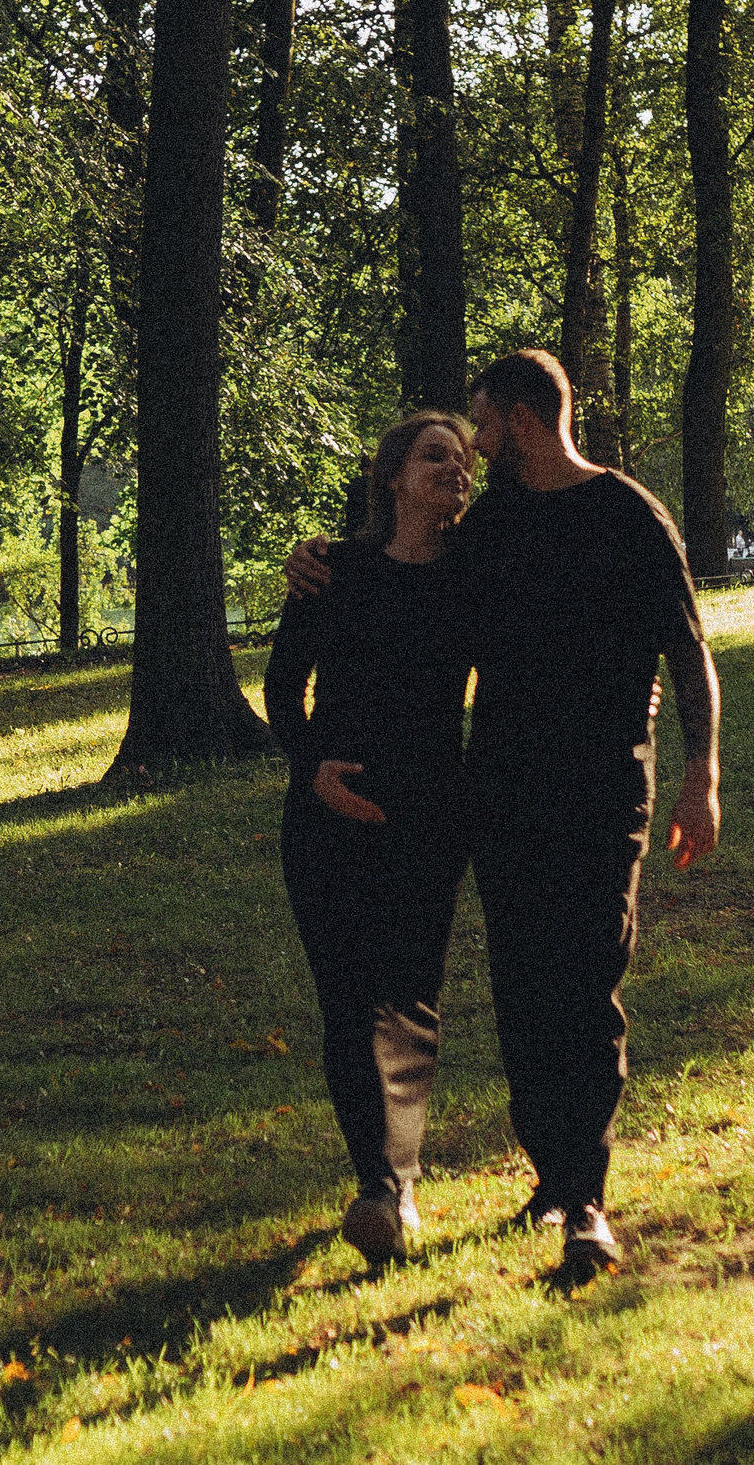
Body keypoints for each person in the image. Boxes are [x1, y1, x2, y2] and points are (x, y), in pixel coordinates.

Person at [286, 349, 721, 1282]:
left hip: (605, 792)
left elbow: (686, 648)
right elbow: (411, 599)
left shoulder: (628, 514)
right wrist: (318, 563)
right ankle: (554, 1175)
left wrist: (702, 772)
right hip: (503, 796)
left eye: (481, 425)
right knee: (524, 994)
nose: (476, 446)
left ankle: (587, 1199)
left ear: (521, 418)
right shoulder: (489, 530)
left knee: (587, 985)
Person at [265, 412, 476, 1265]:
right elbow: (284, 686)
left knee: (410, 1002)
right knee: (348, 1002)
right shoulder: (334, 570)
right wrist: (312, 768)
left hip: (428, 814)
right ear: (392, 476)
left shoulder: (473, 575)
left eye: (464, 462)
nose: (454, 471)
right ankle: (378, 1186)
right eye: (435, 456)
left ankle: (400, 1182)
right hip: (326, 814)